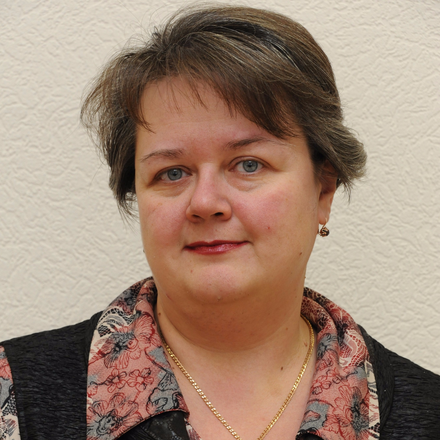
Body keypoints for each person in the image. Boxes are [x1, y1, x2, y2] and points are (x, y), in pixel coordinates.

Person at [1, 4, 439, 440]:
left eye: (249, 164)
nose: (206, 203)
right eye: (172, 172)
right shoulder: (15, 396)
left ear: (323, 190)